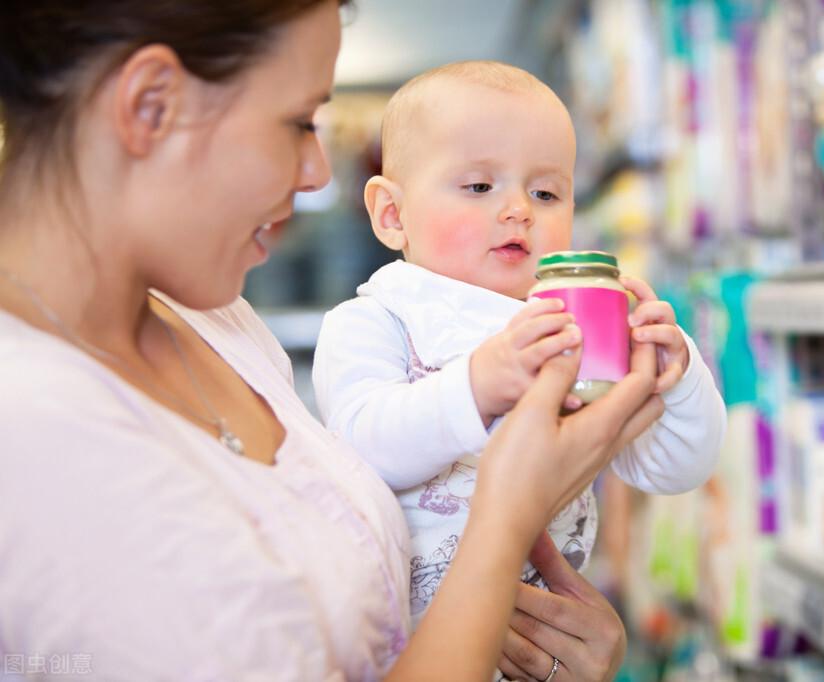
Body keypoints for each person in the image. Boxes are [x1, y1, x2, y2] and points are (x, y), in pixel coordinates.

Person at [0, 2, 667, 680]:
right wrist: (506, 516)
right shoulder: (30, 432)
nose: (320, 170)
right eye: (298, 122)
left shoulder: (213, 322)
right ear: (150, 106)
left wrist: (546, 650)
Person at [311, 60, 725, 663]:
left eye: (546, 192)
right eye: (479, 187)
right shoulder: (379, 318)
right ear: (392, 214)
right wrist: (476, 388)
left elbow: (673, 469)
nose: (518, 210)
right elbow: (358, 445)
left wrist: (678, 377)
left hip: (545, 639)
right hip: (411, 644)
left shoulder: (572, 328)